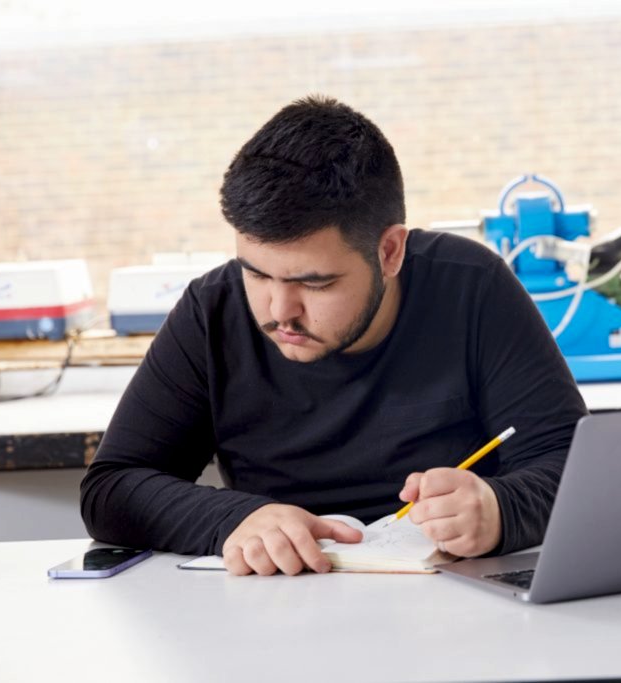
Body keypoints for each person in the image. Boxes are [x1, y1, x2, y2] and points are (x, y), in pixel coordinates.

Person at [80, 95, 588, 577]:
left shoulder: (471, 286)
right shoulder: (212, 310)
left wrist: (500, 511)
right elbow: (112, 488)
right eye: (256, 274)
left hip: (452, 604)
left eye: (313, 283)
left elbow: (575, 464)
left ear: (389, 252)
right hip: (280, 605)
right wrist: (234, 518)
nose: (279, 311)